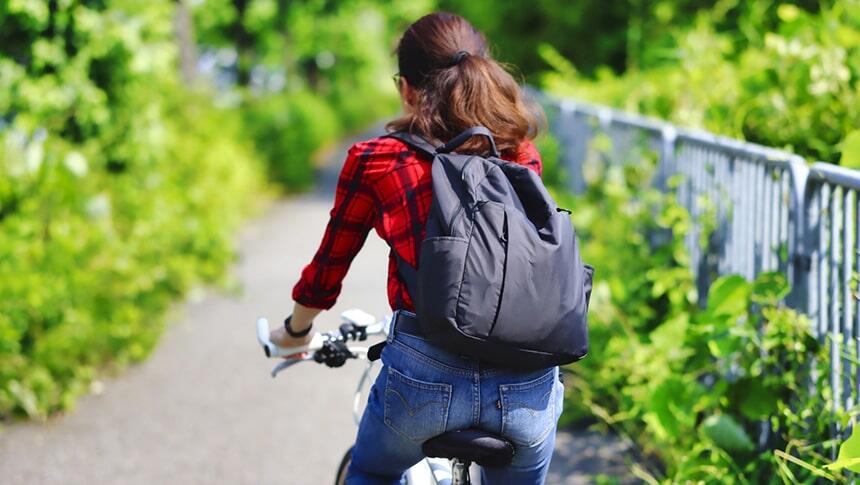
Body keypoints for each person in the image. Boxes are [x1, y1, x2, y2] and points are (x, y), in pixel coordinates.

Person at [269, 12, 562, 484]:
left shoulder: (377, 161)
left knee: (372, 471)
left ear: (406, 88)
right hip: (525, 387)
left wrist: (295, 332)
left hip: (422, 380)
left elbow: (328, 270)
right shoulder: (519, 153)